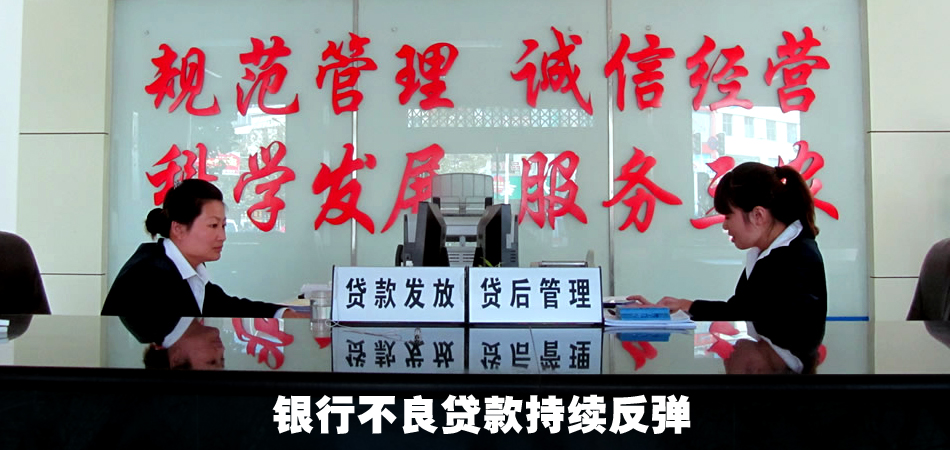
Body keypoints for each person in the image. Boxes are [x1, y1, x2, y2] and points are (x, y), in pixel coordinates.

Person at [628, 162, 827, 324]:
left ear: (758, 215)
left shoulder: (798, 259)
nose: (724, 225)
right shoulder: (768, 253)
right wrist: (683, 307)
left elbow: (768, 323)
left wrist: (687, 307)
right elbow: (739, 310)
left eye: (728, 216)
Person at [101, 179, 306, 318]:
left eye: (223, 226)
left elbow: (224, 306)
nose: (222, 236)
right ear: (179, 229)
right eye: (213, 225)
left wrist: (281, 313)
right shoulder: (149, 276)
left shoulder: (184, 265)